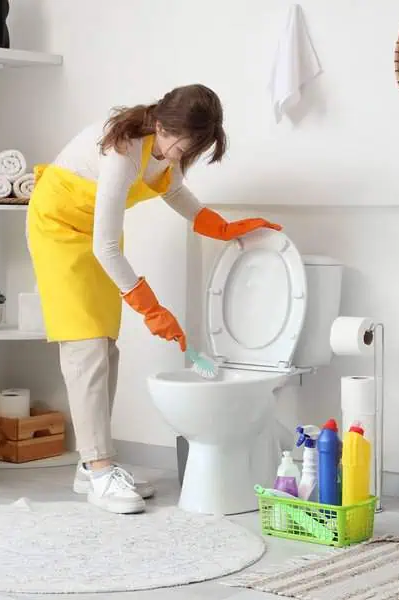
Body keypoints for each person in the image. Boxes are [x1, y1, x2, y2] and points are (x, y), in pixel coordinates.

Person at [26, 84, 282, 514]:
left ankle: (91, 468)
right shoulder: (121, 152)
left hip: (97, 235)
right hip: (58, 230)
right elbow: (106, 247)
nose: (180, 156)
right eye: (180, 145)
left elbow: (173, 190)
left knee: (106, 349)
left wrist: (219, 227)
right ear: (161, 124)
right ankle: (101, 469)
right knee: (84, 349)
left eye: (191, 150)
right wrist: (150, 307)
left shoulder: (165, 148)